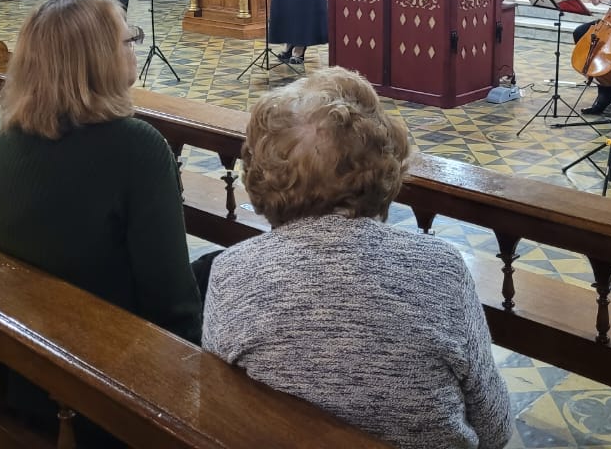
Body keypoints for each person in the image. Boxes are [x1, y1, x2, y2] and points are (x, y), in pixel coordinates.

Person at [203, 67, 512, 449]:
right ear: (385, 170)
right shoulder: (441, 269)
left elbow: (218, 408)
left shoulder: (231, 271)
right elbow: (493, 427)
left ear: (259, 178)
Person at [0, 0, 202, 444]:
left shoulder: (12, 132)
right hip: (101, 377)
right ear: (98, 58)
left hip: (17, 357)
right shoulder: (136, 146)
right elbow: (172, 305)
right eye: (129, 39)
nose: (135, 47)